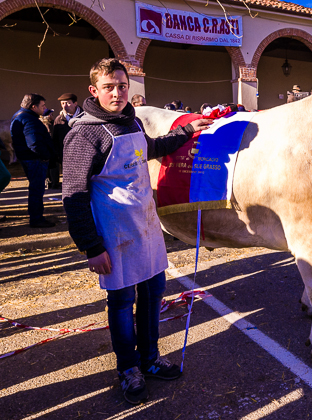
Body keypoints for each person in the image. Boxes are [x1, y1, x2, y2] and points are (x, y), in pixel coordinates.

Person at [62, 58, 212, 405]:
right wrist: (90, 246)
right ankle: (128, 368)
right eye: (109, 87)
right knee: (121, 302)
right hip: (115, 236)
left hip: (146, 230)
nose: (117, 93)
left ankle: (150, 358)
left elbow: (153, 149)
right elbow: (73, 195)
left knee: (152, 296)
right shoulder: (83, 135)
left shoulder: (129, 121)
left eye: (122, 86)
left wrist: (187, 131)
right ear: (94, 90)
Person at [9, 93, 57, 228]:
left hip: (28, 158)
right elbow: (34, 143)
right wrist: (46, 156)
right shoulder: (29, 120)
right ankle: (37, 219)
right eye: (43, 105)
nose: (45, 108)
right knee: (37, 189)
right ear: (33, 106)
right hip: (34, 160)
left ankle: (36, 216)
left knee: (36, 188)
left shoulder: (19, 115)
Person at [51, 93, 82, 189]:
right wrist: (57, 154)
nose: (65, 106)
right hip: (66, 154)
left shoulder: (84, 117)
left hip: (82, 153)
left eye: (68, 103)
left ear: (75, 103)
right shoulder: (59, 119)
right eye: (62, 103)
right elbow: (55, 139)